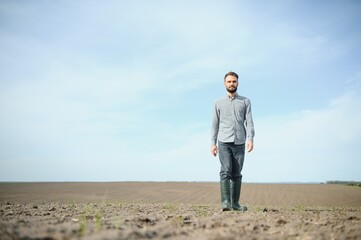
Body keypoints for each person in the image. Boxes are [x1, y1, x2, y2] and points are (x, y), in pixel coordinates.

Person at [211, 71, 255, 211]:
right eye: (229, 81)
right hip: (223, 142)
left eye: (234, 81)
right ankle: (225, 203)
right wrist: (213, 143)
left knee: (237, 173)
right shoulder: (218, 103)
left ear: (237, 83)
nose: (232, 84)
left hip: (240, 142)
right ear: (225, 83)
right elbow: (214, 124)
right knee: (225, 171)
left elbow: (249, 122)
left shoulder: (245, 101)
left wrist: (250, 139)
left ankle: (235, 204)